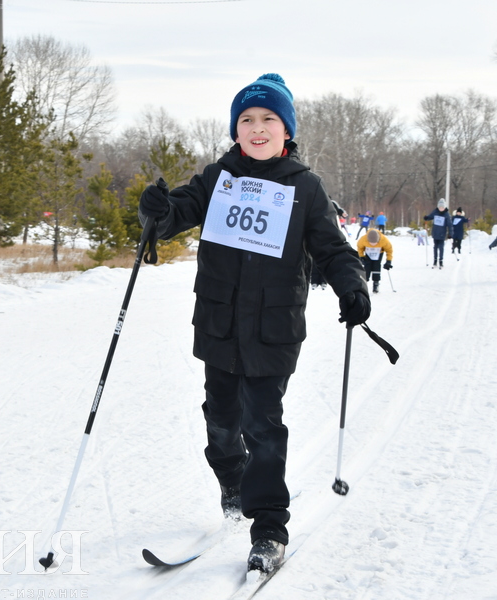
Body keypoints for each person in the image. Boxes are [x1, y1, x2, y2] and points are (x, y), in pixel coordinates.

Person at [137, 73, 370, 575]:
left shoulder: (305, 187)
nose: (257, 127)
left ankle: (268, 527)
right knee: (220, 421)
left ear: (286, 131)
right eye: (247, 119)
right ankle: (233, 480)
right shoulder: (218, 179)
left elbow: (331, 248)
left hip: (273, 328)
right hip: (220, 324)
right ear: (235, 130)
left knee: (262, 423)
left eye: (268, 119)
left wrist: (352, 286)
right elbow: (176, 213)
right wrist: (155, 210)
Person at [357, 228, 393, 293]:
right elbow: (360, 248)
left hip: (379, 253)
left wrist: (388, 261)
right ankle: (364, 284)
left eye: (375, 243)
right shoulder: (363, 239)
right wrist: (361, 256)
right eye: (371, 243)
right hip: (368, 254)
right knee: (367, 268)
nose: (373, 245)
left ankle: (376, 284)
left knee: (376, 268)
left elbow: (389, 250)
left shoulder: (384, 240)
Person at [424, 199, 452, 268]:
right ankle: (435, 260)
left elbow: (450, 225)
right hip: (435, 233)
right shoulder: (435, 212)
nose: (441, 209)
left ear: (444, 207)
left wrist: (450, 233)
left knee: (441, 247)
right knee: (435, 247)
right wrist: (426, 218)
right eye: (440, 207)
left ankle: (441, 261)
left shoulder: (446, 214)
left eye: (442, 207)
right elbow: (430, 216)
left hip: (442, 234)